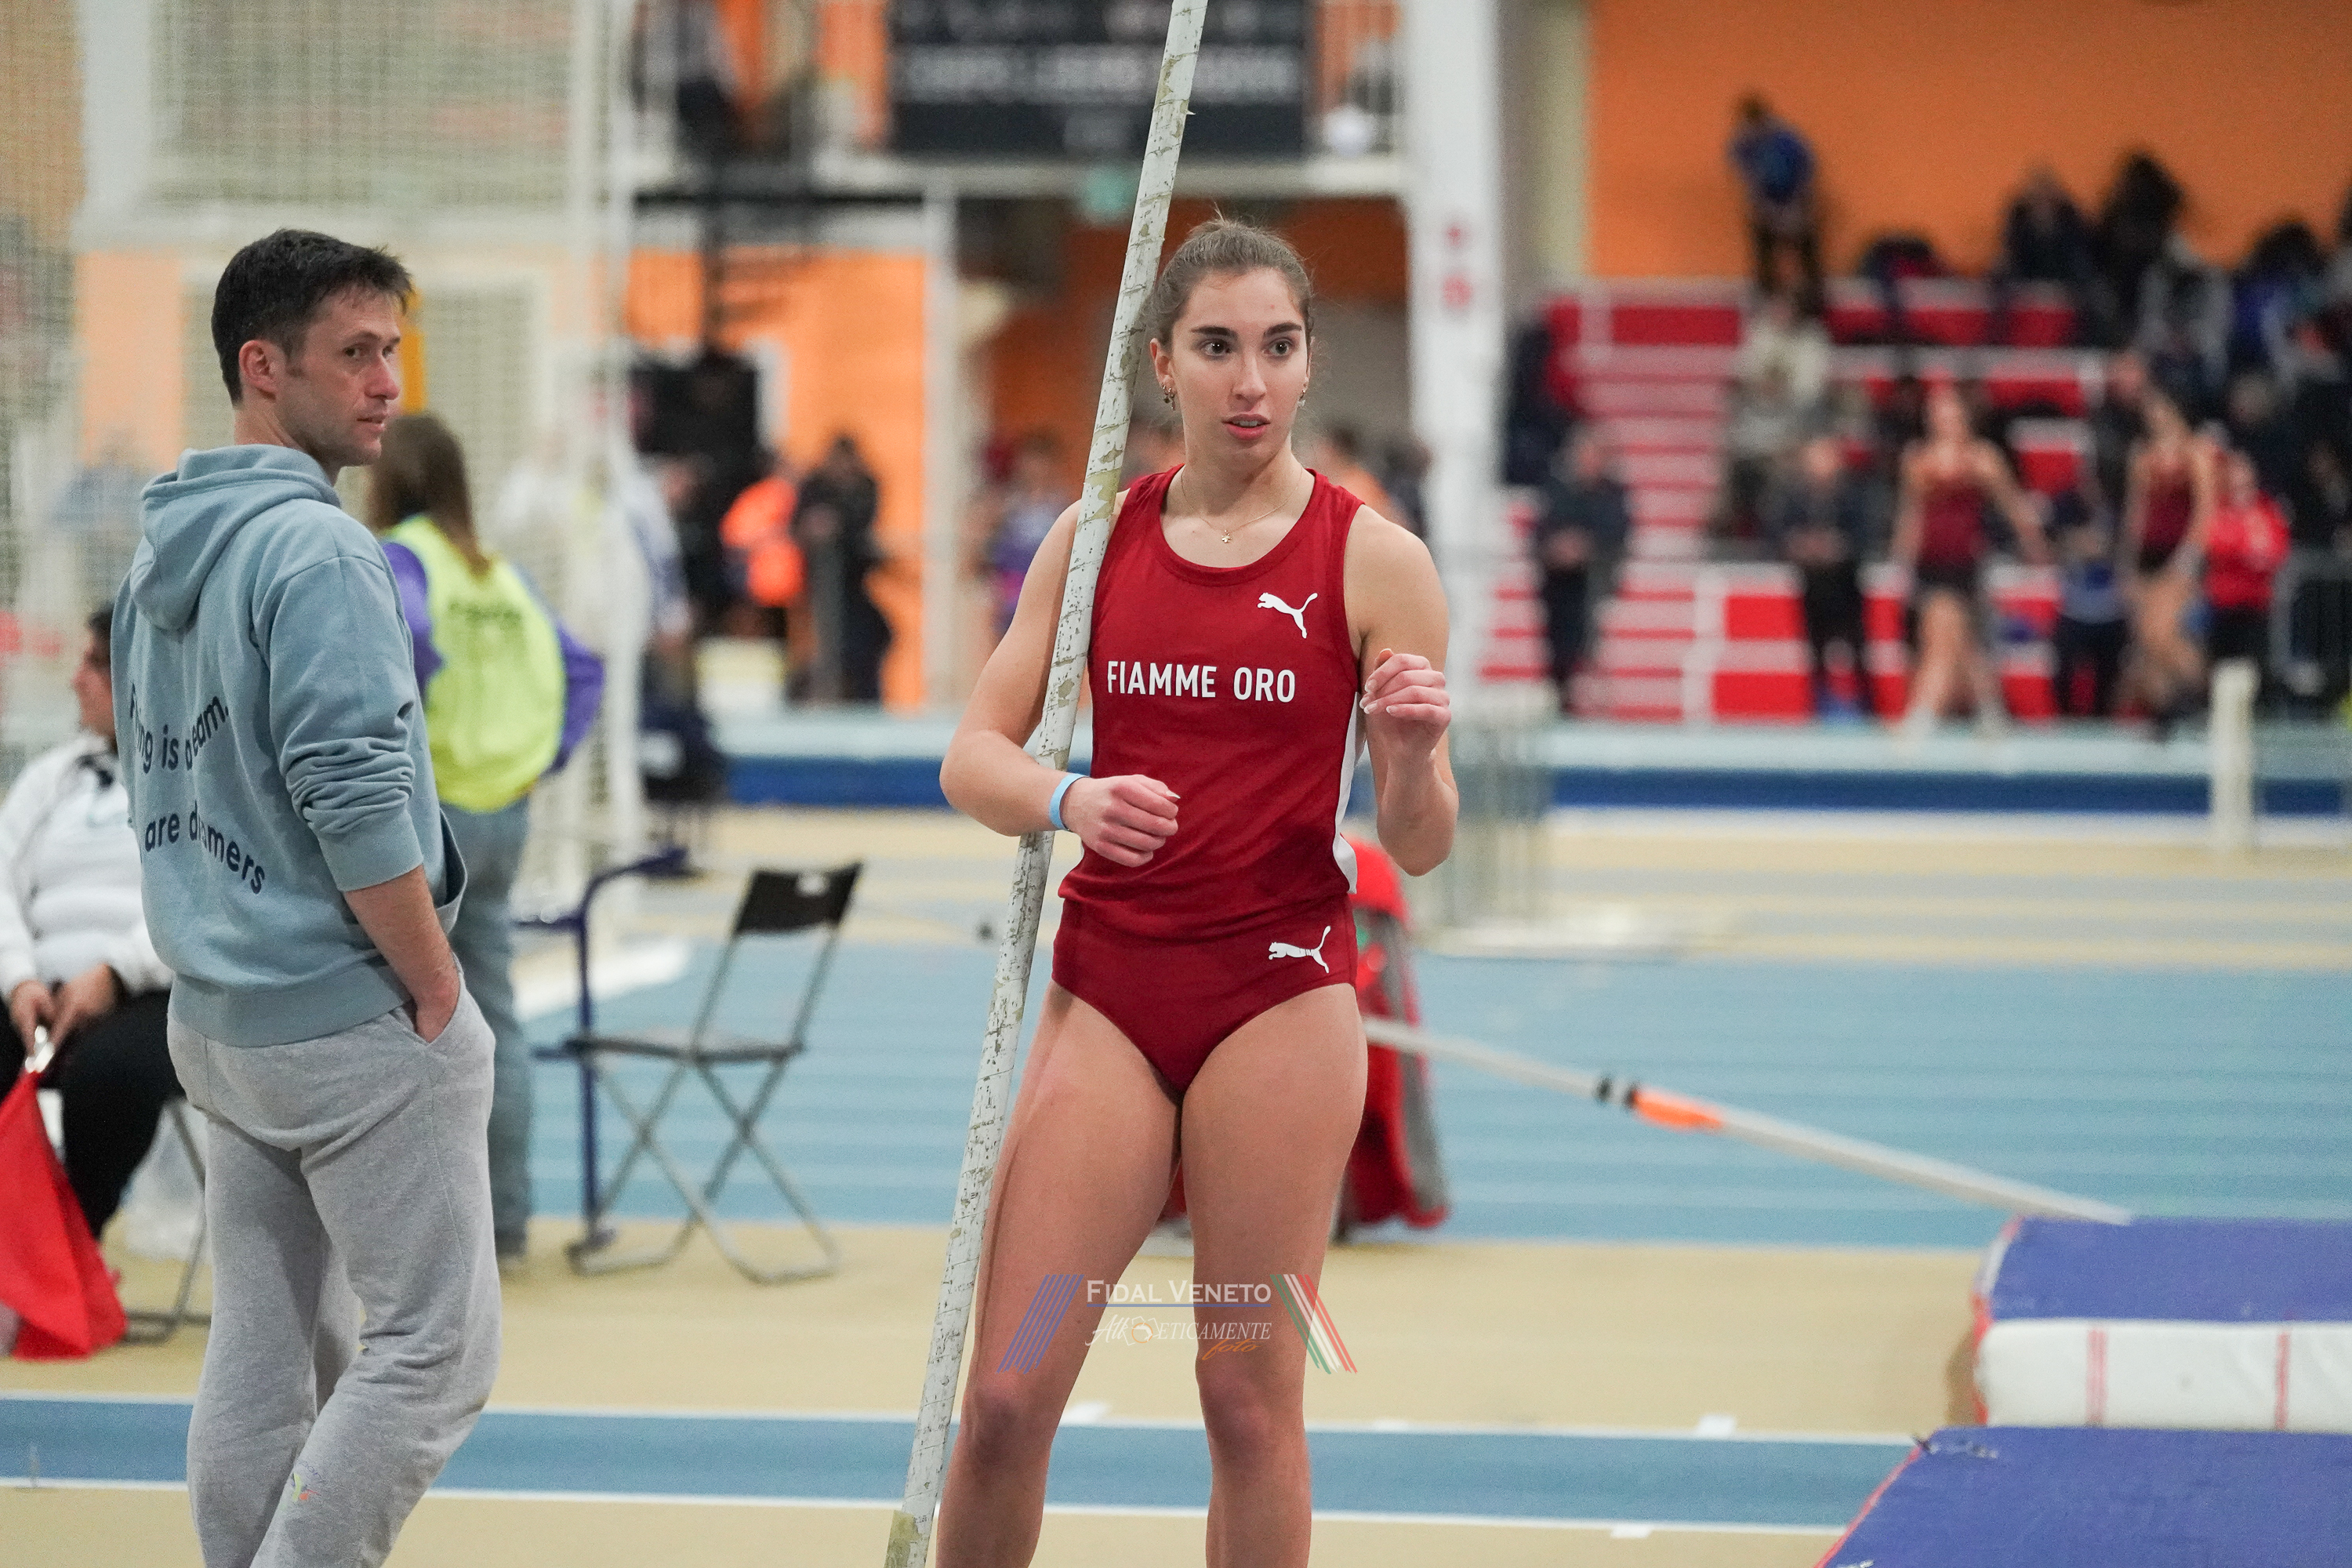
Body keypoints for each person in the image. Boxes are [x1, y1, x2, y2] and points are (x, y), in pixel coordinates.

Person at [934, 217, 1455, 1566]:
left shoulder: (1375, 561)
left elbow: (1424, 842)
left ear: (1308, 360)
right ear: (1163, 362)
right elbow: (973, 758)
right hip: (1112, 998)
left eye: (1278, 347)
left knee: (1246, 1401)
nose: (1251, 381)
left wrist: (1409, 756)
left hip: (1277, 1004)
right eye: (1218, 347)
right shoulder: (1096, 542)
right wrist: (1069, 800)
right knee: (1007, 1398)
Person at [114, 228, 495, 1567]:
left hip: (219, 1013)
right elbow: (353, 793)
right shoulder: (320, 554)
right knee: (432, 1357)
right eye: (357, 353)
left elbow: (154, 770)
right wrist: (435, 983)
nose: (389, 382)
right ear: (263, 367)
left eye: (394, 350)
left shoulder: (158, 554)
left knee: (263, 1345)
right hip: (341, 1014)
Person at [368, 411, 605, 1266]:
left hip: (429, 814)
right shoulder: (502, 575)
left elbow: (400, 653)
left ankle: (410, 1227)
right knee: (492, 1013)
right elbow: (583, 668)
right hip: (505, 810)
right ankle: (506, 1217)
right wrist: (540, 756)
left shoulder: (395, 561)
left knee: (392, 1017)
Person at [0, 609, 176, 1238]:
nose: (75, 680)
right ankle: (21, 1253)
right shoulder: (53, 777)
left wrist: (116, 975)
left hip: (149, 992)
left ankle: (68, 1248)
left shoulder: (191, 780)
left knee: (110, 1078)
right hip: (38, 990)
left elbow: (204, 899)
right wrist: (19, 980)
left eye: (95, 664)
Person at [1889, 384, 2049, 737]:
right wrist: (1901, 561)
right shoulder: (1918, 459)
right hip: (1930, 564)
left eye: (1950, 414)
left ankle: (1935, 718)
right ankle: (1975, 716)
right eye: (1937, 415)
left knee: (1958, 642)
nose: (1943, 421)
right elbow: (1911, 514)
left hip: (1965, 563)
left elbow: (2012, 507)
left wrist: (2035, 547)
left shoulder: (1982, 458)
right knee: (1948, 638)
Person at [2120, 391, 2218, 732]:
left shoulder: (2196, 452)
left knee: (2163, 634)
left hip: (2180, 555)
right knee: (2147, 640)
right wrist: (2128, 563)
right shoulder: (2143, 456)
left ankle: (2209, 695)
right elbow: (2136, 514)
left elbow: (2205, 511)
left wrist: (2187, 559)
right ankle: (2164, 712)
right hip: (2149, 555)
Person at [1765, 435, 1878, 719]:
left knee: (1859, 652)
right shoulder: (1794, 497)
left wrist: (1837, 548)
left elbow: (1864, 537)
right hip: (1813, 589)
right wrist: (1801, 547)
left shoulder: (1853, 495)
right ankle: (1818, 708)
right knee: (1815, 652)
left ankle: (1868, 709)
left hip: (1846, 589)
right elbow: (1776, 536)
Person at [790, 433, 893, 703]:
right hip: (822, 579)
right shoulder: (815, 486)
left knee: (866, 638)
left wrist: (836, 525)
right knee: (831, 641)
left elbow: (859, 525)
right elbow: (799, 525)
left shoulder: (864, 486)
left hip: (853, 577)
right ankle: (825, 694)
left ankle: (863, 696)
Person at [1534, 426, 1631, 708]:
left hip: (1594, 582)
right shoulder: (1558, 489)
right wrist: (1557, 549)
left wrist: (1586, 548)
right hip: (1559, 583)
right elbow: (1540, 531)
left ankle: (1590, 694)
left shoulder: (1612, 493)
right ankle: (1562, 696)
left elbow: (1618, 533)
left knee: (1588, 640)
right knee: (1558, 643)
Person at [2201, 447, 2291, 684]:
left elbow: (2276, 550)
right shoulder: (2218, 507)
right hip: (2223, 603)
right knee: (2222, 669)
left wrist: (2244, 551)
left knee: (2254, 669)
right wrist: (2247, 550)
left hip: (2256, 603)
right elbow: (2214, 544)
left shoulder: (2266, 508)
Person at [2047, 482, 2129, 719]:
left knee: (2108, 682)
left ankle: (2103, 721)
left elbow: (2126, 544)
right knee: (2062, 674)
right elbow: (2055, 543)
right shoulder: (2066, 506)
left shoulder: (2122, 510)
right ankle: (2065, 722)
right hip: (2074, 611)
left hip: (2111, 612)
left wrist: (2103, 545)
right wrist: (2078, 543)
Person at [1729, 95, 1820, 308]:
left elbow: (1806, 170)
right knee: (1766, 254)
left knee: (1800, 254)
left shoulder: (1783, 140)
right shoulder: (1747, 143)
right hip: (1768, 208)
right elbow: (1745, 174)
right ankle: (1769, 297)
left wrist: (1798, 203)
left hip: (1792, 205)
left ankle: (1809, 303)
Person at [1990, 165, 2097, 347]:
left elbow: (2077, 250)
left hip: (2063, 272)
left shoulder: (2069, 217)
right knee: (1997, 282)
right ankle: (1998, 339)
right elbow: (2011, 250)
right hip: (2025, 272)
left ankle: (2083, 340)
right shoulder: (2019, 216)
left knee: (2093, 290)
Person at [983, 433, 1074, 638]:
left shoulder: (1062, 503)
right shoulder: (1008, 502)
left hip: (1045, 588)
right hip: (1010, 591)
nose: (1036, 469)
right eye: (1031, 462)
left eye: (1042, 463)